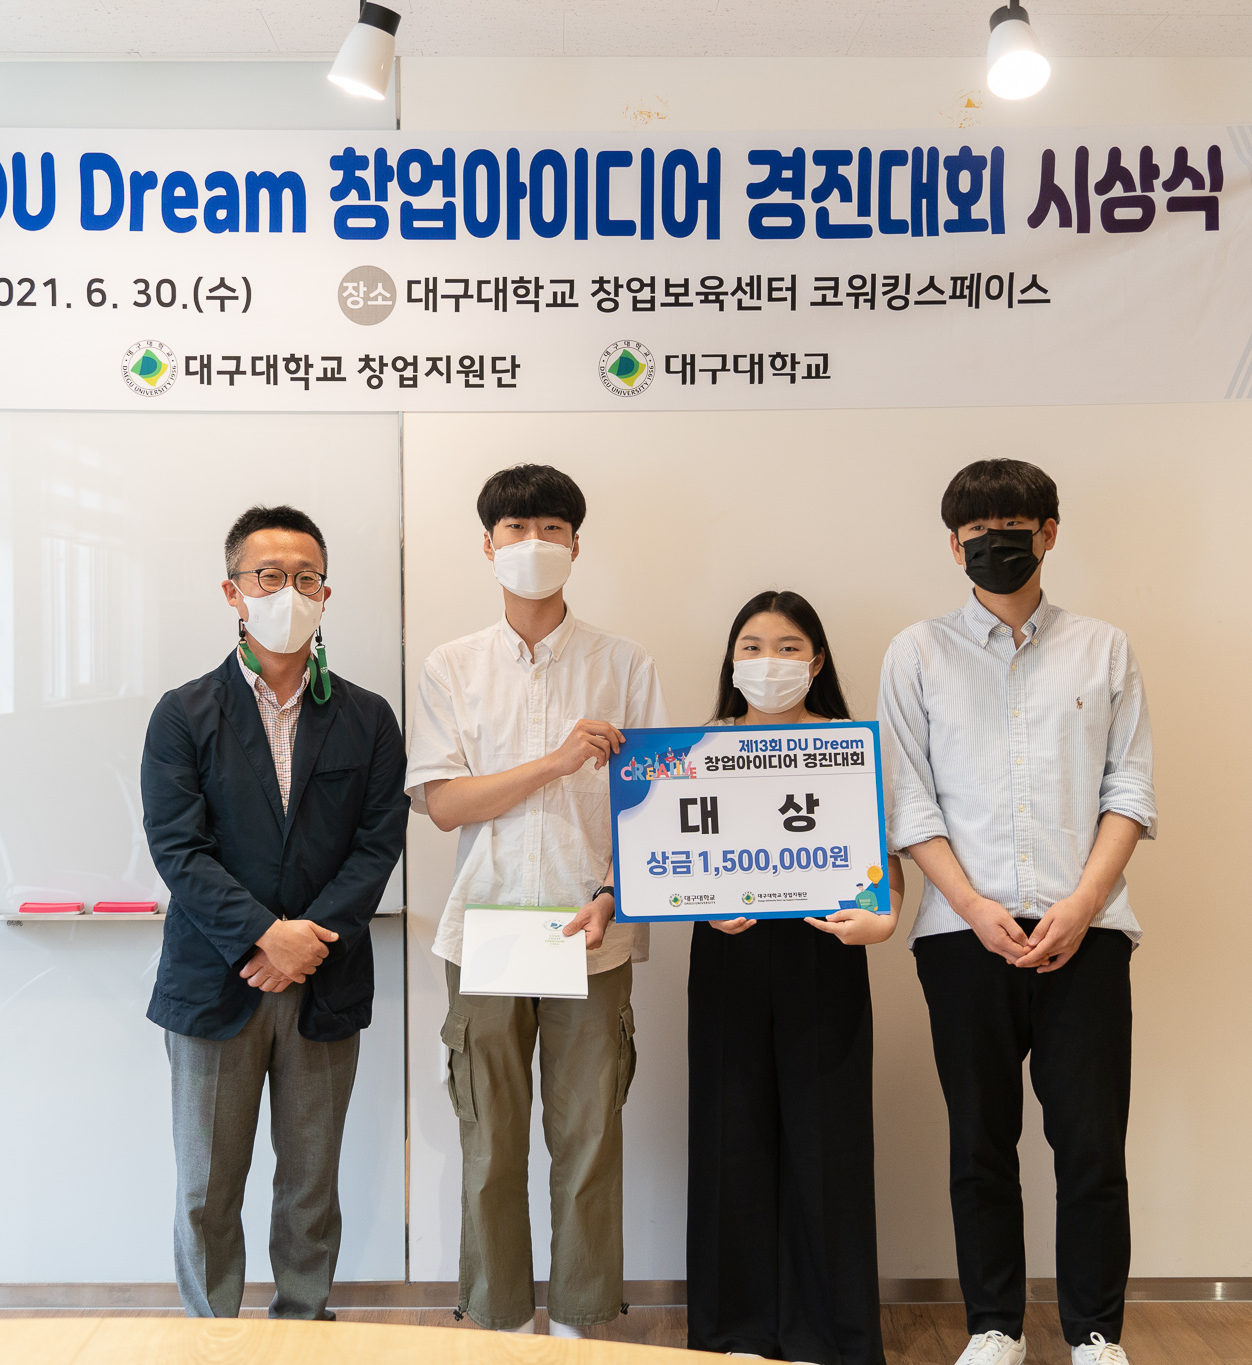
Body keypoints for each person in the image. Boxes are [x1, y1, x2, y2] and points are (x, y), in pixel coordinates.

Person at [877, 460, 1156, 1365]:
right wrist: (970, 903)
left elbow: (1129, 790)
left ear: (1049, 533)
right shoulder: (917, 652)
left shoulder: (1103, 648)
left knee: (1091, 1147)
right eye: (976, 531)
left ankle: (1096, 1333)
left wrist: (1083, 902)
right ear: (953, 545)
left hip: (1089, 934)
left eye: (1012, 526)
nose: (994, 543)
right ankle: (994, 1326)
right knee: (980, 1144)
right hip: (962, 938)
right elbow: (908, 801)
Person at [404, 463, 668, 1338]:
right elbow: (446, 803)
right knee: (491, 1140)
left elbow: (656, 804)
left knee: (589, 1138)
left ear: (575, 545)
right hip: (486, 928)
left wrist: (614, 893)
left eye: (551, 527)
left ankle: (581, 1323)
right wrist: (556, 761)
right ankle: (502, 1320)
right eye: (515, 529)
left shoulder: (624, 662)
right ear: (487, 546)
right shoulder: (453, 665)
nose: (533, 543)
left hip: (591, 931)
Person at [140, 504, 409, 1320]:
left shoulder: (368, 716)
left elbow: (377, 843)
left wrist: (306, 943)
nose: (288, 591)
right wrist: (264, 936)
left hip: (323, 981)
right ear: (233, 591)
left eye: (305, 577)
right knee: (206, 1186)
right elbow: (179, 847)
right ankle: (212, 1335)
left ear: (326, 593)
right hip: (216, 980)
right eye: (268, 576)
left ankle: (303, 1326)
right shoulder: (184, 712)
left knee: (310, 1185)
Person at [687, 590, 903, 1365]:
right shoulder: (698, 748)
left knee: (828, 1138)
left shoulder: (850, 744)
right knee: (729, 1132)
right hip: (729, 951)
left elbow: (887, 858)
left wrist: (882, 918)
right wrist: (702, 903)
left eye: (787, 647)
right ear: (731, 660)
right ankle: (733, 1333)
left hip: (826, 948)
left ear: (816, 661)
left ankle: (831, 1335)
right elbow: (669, 859)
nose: (768, 661)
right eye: (752, 645)